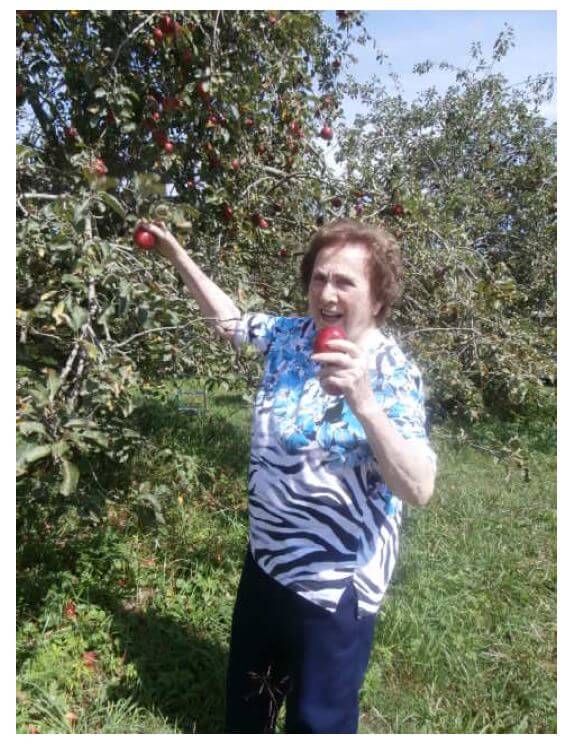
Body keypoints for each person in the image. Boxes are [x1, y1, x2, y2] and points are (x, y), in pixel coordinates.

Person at [135, 218, 437, 733]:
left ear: (380, 299)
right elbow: (230, 323)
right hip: (266, 563)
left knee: (315, 724)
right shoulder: (293, 336)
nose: (327, 291)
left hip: (333, 590)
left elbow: (419, 487)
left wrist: (363, 402)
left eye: (345, 281)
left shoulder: (391, 372)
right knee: (249, 706)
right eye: (320, 278)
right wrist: (178, 258)